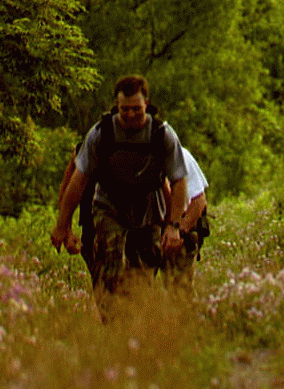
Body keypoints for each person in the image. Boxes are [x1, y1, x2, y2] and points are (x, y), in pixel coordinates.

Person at [51, 75, 188, 322]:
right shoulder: (101, 133)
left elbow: (179, 181)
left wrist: (174, 225)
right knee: (109, 267)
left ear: (147, 103)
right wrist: (63, 224)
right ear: (116, 105)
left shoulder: (162, 135)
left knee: (141, 277)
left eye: (136, 109)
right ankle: (112, 325)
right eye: (124, 109)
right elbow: (77, 180)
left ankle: (135, 329)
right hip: (109, 206)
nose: (131, 115)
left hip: (149, 211)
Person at [159, 147, 209, 296]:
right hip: (149, 227)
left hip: (181, 226)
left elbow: (199, 201)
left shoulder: (180, 156)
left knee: (180, 292)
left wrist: (179, 231)